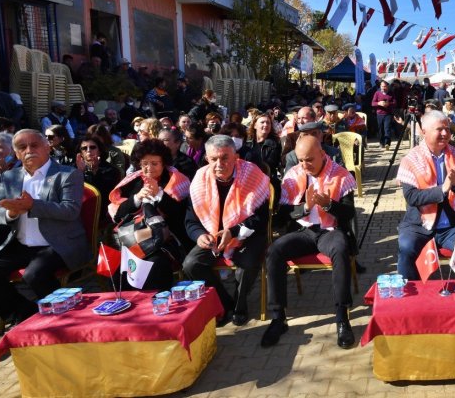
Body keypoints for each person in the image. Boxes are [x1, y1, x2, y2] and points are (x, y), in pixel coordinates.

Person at [262, 137, 358, 349]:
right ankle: (278, 318)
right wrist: (305, 207)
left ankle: (342, 317)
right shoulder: (294, 175)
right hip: (304, 231)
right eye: (302, 160)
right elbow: (282, 216)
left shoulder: (340, 174)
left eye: (310, 160)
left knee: (340, 250)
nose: (305, 165)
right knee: (275, 251)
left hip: (330, 231)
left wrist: (329, 205)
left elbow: (349, 212)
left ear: (322, 154)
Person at [0, 129, 87, 324]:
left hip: (57, 243)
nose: (28, 150)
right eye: (22, 147)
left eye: (34, 145)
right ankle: (24, 315)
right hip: (19, 243)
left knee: (34, 275)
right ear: (16, 153)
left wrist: (32, 205)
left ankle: (66, 319)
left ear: (47, 147)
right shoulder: (10, 177)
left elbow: (70, 210)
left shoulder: (67, 174)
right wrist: (11, 213)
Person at [183, 135, 271, 326]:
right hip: (213, 236)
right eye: (213, 159)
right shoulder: (199, 180)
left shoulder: (252, 175)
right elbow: (191, 220)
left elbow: (261, 218)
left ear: (236, 157)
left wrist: (233, 231)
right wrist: (199, 236)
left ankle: (240, 306)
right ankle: (225, 302)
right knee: (191, 264)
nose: (219, 164)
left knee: (246, 263)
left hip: (247, 233)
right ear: (207, 159)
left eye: (224, 158)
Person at [395, 111, 455, 280]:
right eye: (439, 129)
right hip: (418, 225)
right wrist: (443, 189)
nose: (445, 133)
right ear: (424, 131)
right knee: (406, 247)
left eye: (447, 129)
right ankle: (411, 296)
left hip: (451, 226)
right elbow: (412, 197)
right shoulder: (411, 159)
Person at [108, 139, 192, 290]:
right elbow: (118, 215)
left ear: (163, 163)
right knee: (117, 265)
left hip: (166, 239)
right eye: (145, 163)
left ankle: (157, 303)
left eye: (154, 163)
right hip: (133, 238)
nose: (149, 168)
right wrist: (137, 198)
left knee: (153, 263)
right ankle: (129, 306)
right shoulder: (133, 182)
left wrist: (159, 194)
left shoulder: (177, 180)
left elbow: (180, 214)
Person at [76, 135, 119, 201]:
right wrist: (80, 173)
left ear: (100, 151)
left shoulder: (111, 171)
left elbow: (102, 194)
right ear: (81, 153)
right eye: (84, 148)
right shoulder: (74, 168)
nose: (88, 150)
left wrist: (94, 170)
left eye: (92, 147)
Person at [244, 113, 282, 179]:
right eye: (262, 122)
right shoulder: (246, 142)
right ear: (255, 125)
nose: (265, 125)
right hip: (246, 177)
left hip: (266, 179)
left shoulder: (275, 144)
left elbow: (271, 164)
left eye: (268, 123)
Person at [372, 81, 396, 149]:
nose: (383, 88)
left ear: (387, 86)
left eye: (385, 86)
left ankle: (387, 143)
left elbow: (395, 103)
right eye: (382, 86)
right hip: (379, 114)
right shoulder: (377, 93)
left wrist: (389, 104)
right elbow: (372, 103)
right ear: (380, 86)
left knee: (387, 128)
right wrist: (379, 103)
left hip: (388, 114)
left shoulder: (391, 93)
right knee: (380, 129)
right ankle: (381, 142)